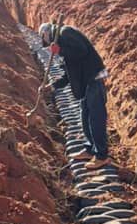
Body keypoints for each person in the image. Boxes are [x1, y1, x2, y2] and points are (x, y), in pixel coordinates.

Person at [39, 19, 110, 167]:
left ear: (46, 33)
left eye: (44, 39)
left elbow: (81, 51)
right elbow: (68, 74)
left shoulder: (66, 32)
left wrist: (60, 51)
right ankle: (90, 149)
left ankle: (102, 156)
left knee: (96, 118)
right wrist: (51, 86)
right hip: (85, 82)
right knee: (85, 117)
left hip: (93, 78)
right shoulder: (60, 43)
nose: (47, 45)